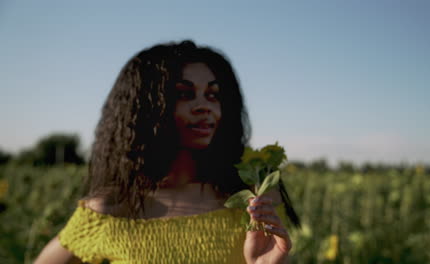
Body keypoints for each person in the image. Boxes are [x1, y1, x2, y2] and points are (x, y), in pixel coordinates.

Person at [34, 40, 299, 264]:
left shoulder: (254, 197)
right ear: (144, 111)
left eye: (213, 95)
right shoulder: (112, 209)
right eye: (184, 94)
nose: (203, 106)